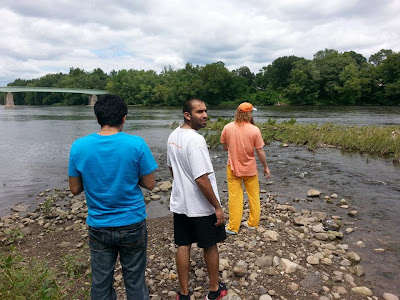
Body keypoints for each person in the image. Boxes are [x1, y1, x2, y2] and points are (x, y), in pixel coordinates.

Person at [68, 94, 158, 300]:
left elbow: (74, 189)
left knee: (101, 282)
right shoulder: (137, 144)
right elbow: (150, 184)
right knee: (135, 281)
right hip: (132, 222)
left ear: (97, 118)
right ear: (124, 118)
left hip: (99, 224)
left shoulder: (79, 146)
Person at [167, 98, 228, 300]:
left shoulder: (173, 136)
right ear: (187, 115)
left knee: (183, 245)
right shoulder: (196, 140)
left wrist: (182, 188)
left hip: (181, 203)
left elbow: (171, 169)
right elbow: (201, 178)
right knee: (210, 245)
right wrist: (217, 207)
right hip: (201, 206)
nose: (205, 115)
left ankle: (183, 294)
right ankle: (214, 291)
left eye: (206, 111)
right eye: (200, 112)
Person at [221, 102, 271, 235]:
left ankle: (233, 227)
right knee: (254, 196)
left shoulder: (227, 127)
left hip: (233, 168)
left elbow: (225, 147)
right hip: (250, 169)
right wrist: (266, 167)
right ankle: (252, 223)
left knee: (235, 197)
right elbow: (260, 151)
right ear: (249, 114)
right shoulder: (255, 130)